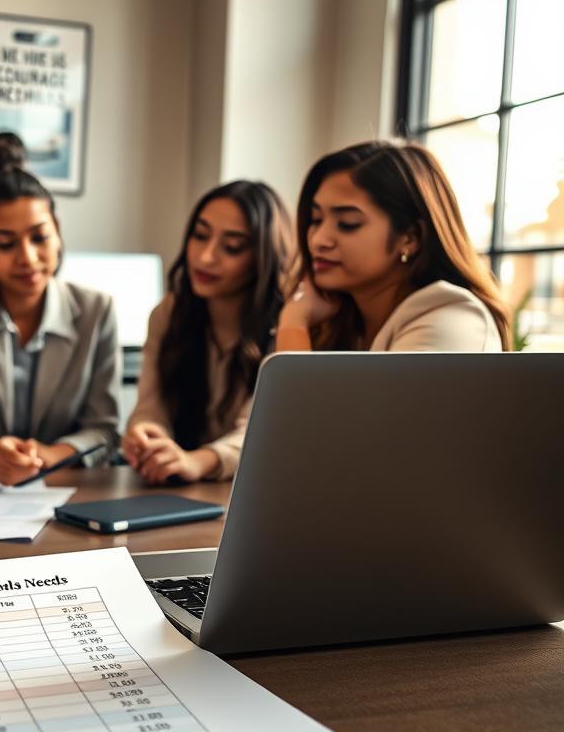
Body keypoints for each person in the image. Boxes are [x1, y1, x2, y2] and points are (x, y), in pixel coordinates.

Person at [0, 155, 120, 486]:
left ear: (57, 232)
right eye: (5, 243)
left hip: (69, 490)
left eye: (40, 238)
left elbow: (104, 430)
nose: (27, 257)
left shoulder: (97, 310)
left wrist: (51, 454)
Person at [122, 181, 294, 484]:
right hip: (181, 493)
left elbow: (264, 433)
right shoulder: (169, 314)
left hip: (254, 491)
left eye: (232, 247)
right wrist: (148, 434)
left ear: (263, 258)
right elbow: (151, 407)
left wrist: (199, 461)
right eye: (200, 236)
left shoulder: (289, 324)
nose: (205, 257)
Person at [275, 140, 509, 352]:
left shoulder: (451, 320)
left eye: (348, 224)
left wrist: (294, 322)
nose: (318, 240)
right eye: (315, 220)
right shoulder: (339, 323)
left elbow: (303, 401)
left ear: (409, 238)